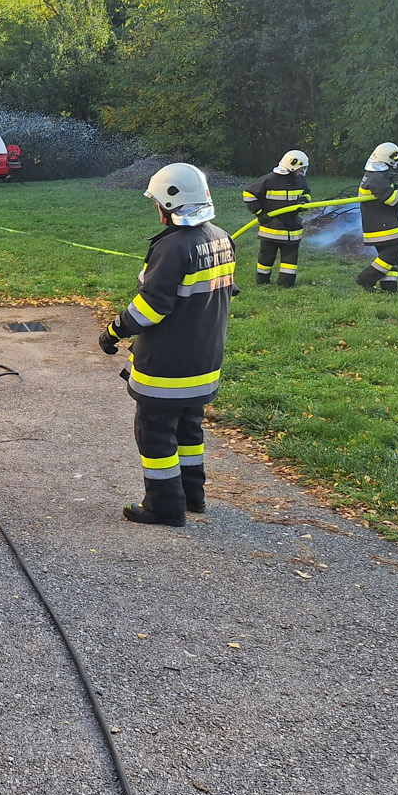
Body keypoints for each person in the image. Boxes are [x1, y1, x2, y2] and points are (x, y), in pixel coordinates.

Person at [98, 163, 236, 527]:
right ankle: (193, 496)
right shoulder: (222, 238)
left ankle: (164, 506)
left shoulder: (173, 248)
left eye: (157, 203)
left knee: (155, 433)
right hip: (205, 363)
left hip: (167, 367)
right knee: (189, 431)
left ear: (170, 204)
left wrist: (113, 331)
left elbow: (150, 308)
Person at [355, 142, 398, 293]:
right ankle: (366, 278)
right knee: (395, 250)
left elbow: (386, 191)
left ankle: (390, 287)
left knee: (390, 255)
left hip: (379, 221)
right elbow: (394, 200)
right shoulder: (377, 179)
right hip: (380, 223)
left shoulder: (374, 175)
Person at [242, 149, 311, 287]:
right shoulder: (269, 180)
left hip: (292, 230)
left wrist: (304, 202)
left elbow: (307, 194)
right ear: (292, 166)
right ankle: (262, 281)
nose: (302, 171)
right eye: (300, 168)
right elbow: (249, 194)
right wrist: (260, 213)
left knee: (289, 261)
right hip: (271, 229)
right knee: (266, 258)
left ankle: (286, 284)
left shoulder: (300, 181)